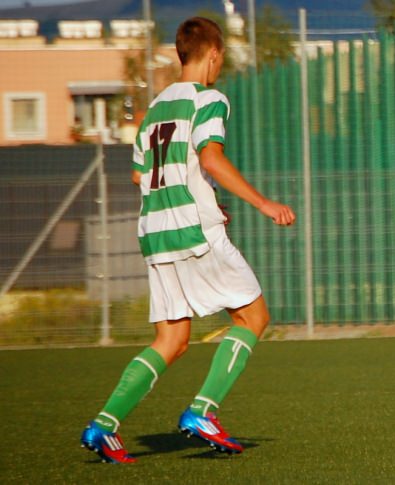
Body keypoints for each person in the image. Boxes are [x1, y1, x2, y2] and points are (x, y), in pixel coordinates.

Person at [81, 17, 296, 463]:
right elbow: (210, 158)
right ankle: (203, 411)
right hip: (193, 231)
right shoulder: (208, 98)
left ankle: (103, 425)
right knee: (253, 317)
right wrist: (262, 203)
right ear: (213, 54)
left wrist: (201, 192)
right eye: (221, 58)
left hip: (155, 233)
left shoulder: (155, 108)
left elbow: (142, 173)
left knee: (172, 339)